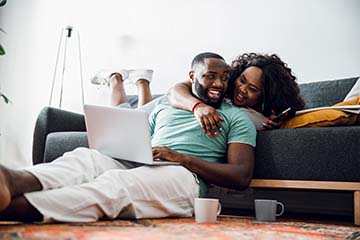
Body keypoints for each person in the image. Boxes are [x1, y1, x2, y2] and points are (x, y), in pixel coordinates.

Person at [0, 52, 256, 223]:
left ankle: (14, 207)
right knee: (85, 159)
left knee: (116, 185)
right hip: (143, 161)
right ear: (191, 77)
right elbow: (143, 136)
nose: (219, 84)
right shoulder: (168, 104)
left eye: (224, 78)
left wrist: (180, 158)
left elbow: (240, 176)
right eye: (211, 76)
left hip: (184, 177)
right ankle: (11, 180)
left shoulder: (237, 118)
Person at [167, 53, 305, 134]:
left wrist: (276, 129)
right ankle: (144, 82)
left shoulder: (259, 120)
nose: (242, 89)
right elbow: (175, 90)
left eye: (252, 89)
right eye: (242, 80)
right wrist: (198, 106)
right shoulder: (222, 85)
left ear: (266, 96)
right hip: (169, 106)